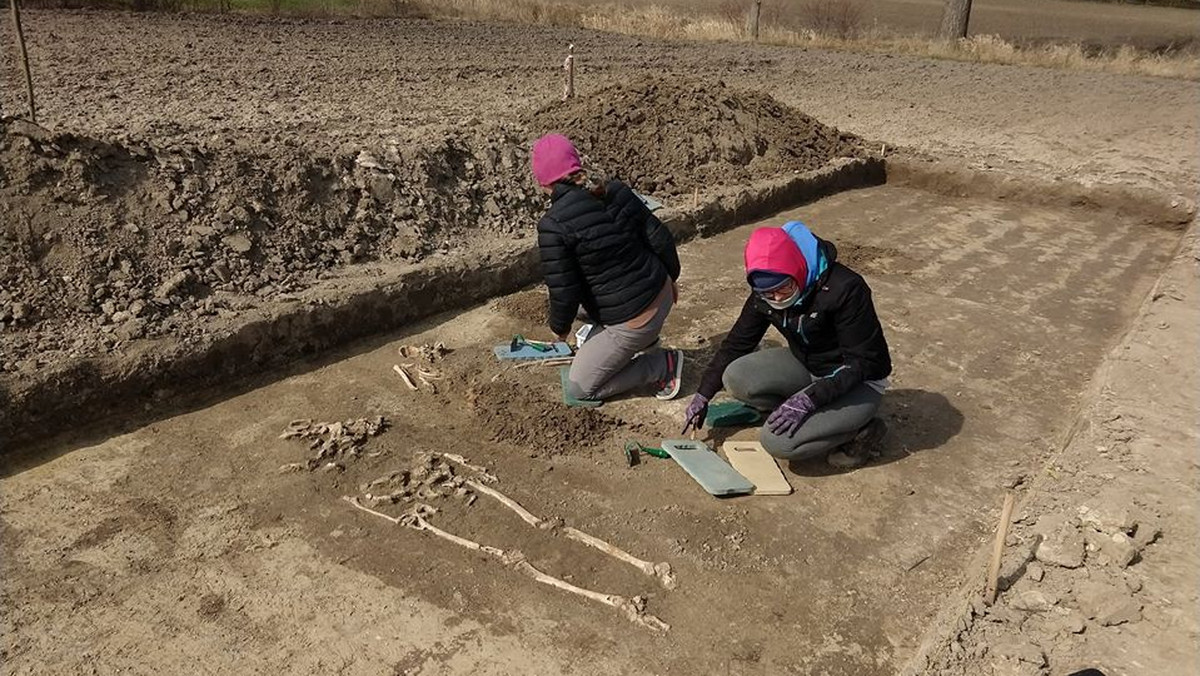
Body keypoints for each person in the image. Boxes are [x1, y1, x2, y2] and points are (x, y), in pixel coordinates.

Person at [681, 221, 892, 468]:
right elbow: (736, 343)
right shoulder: (765, 291)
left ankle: (862, 431)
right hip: (807, 362)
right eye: (768, 294)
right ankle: (799, 412)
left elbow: (864, 362)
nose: (777, 299)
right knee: (736, 376)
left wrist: (810, 399)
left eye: (784, 288)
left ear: (798, 270)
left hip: (856, 381)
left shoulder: (845, 289)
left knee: (778, 442)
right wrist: (703, 394)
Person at [531, 133, 684, 403]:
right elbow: (660, 238)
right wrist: (671, 278)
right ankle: (643, 340)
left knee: (581, 388)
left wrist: (559, 331)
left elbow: (564, 290)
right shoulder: (614, 191)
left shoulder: (553, 226)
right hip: (660, 292)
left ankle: (661, 365)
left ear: (543, 182)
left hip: (636, 319)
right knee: (583, 306)